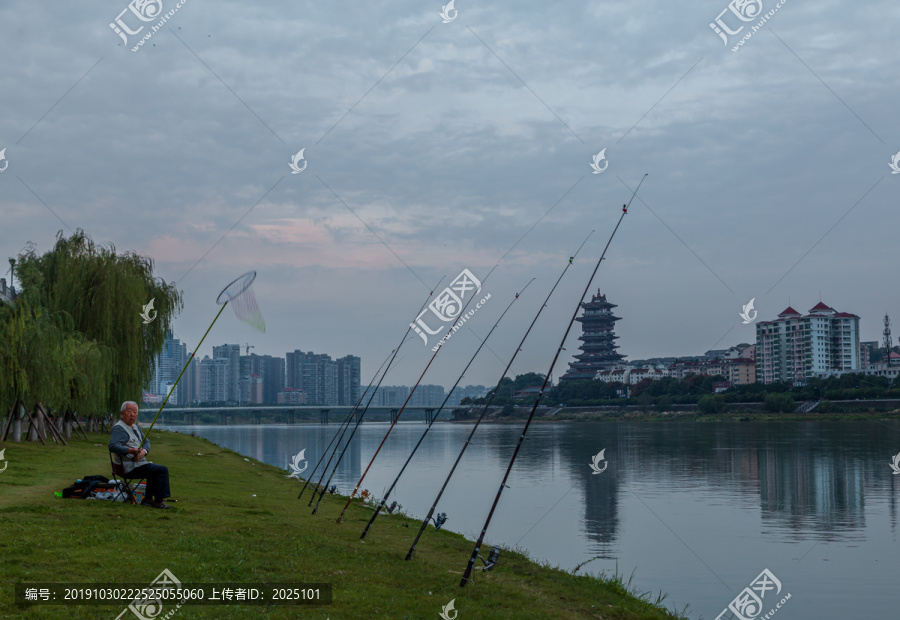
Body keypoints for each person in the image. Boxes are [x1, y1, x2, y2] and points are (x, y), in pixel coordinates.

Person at [109, 401, 171, 509]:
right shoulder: (119, 428)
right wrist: (130, 450)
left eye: (135, 412)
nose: (132, 414)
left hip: (140, 464)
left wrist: (143, 452)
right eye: (129, 411)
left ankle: (148, 500)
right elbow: (113, 446)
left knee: (154, 471)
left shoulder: (135, 427)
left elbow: (147, 442)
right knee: (162, 470)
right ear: (122, 413)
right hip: (128, 467)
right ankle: (158, 501)